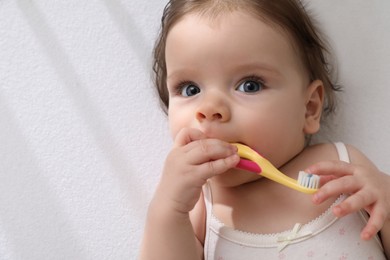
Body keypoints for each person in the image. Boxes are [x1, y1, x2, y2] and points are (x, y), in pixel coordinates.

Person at [140, 0, 390, 259]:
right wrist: (167, 210)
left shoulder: (343, 169)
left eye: (250, 85)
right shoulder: (199, 206)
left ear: (309, 108)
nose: (209, 108)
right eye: (190, 89)